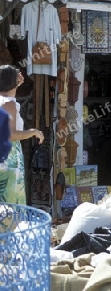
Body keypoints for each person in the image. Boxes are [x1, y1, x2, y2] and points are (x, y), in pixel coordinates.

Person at [0, 65, 44, 204]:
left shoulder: (5, 100)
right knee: (10, 199)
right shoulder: (8, 104)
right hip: (9, 157)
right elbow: (9, 135)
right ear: (11, 80)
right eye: (17, 74)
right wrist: (33, 132)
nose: (21, 75)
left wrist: (15, 82)